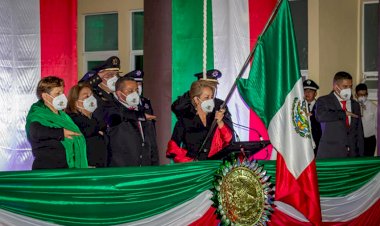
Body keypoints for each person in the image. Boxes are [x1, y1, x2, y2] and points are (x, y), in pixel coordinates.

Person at [25, 76, 88, 169]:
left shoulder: (63, 116)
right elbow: (35, 132)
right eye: (58, 93)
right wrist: (61, 133)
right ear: (45, 96)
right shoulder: (38, 114)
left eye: (62, 92)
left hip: (67, 170)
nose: (62, 96)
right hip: (48, 173)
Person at [167, 80, 233, 162]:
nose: (210, 101)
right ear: (196, 100)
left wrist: (220, 122)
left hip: (215, 165)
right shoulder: (185, 120)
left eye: (211, 97)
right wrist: (189, 161)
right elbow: (173, 148)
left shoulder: (215, 117)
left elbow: (228, 139)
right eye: (206, 97)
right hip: (195, 169)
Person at [104, 77, 159, 167]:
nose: (135, 94)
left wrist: (155, 167)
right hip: (121, 169)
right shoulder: (111, 109)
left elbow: (152, 144)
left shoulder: (143, 109)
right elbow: (118, 115)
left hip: (144, 169)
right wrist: (140, 116)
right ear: (119, 93)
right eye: (130, 91)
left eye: (136, 90)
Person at [315, 71, 364, 158]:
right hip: (330, 154)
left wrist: (361, 155)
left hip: (352, 155)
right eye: (345, 86)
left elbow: (359, 132)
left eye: (350, 86)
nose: (348, 90)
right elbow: (320, 116)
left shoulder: (355, 104)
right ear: (335, 87)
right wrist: (343, 113)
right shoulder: (324, 100)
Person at [66, 83, 108, 167]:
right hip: (85, 168)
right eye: (86, 96)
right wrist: (98, 129)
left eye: (91, 95)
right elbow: (86, 131)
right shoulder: (72, 119)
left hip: (100, 167)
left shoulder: (94, 119)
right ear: (75, 102)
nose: (91, 99)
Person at [79, 56, 121, 129]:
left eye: (116, 75)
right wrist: (98, 76)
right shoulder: (94, 95)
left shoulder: (114, 95)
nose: (114, 78)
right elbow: (80, 87)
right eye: (110, 75)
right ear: (99, 78)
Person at [355, 83, 377, 156]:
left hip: (369, 139)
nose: (363, 97)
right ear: (356, 95)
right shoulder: (353, 106)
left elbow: (377, 125)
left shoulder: (373, 107)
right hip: (357, 139)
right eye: (360, 95)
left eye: (364, 94)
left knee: (368, 162)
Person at [303, 79, 322, 156]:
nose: (307, 93)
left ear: (315, 93)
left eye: (310, 91)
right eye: (305, 91)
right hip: (303, 142)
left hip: (317, 142)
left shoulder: (321, 106)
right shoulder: (299, 107)